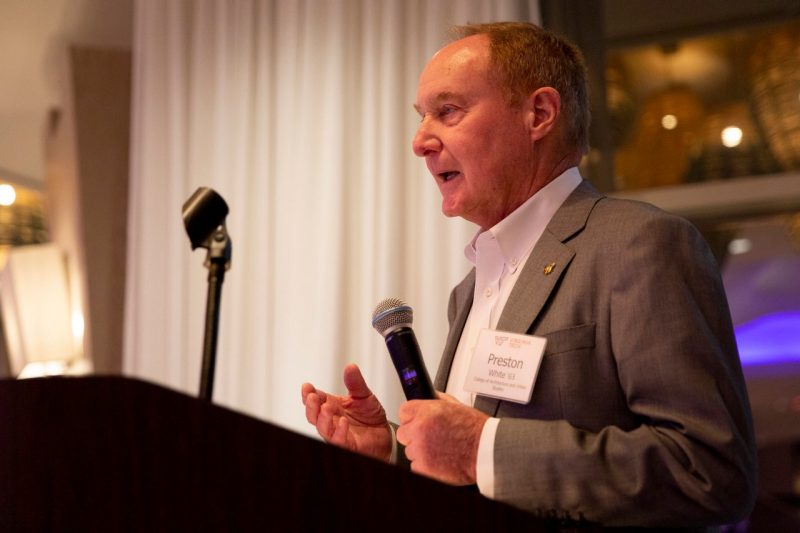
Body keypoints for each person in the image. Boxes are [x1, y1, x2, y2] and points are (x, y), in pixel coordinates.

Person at [301, 22, 757, 528]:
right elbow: (476, 475)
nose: (420, 141)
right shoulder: (468, 292)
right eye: (421, 117)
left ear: (538, 114)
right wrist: (392, 450)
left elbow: (710, 472)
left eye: (447, 111)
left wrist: (482, 446)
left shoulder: (639, 245)